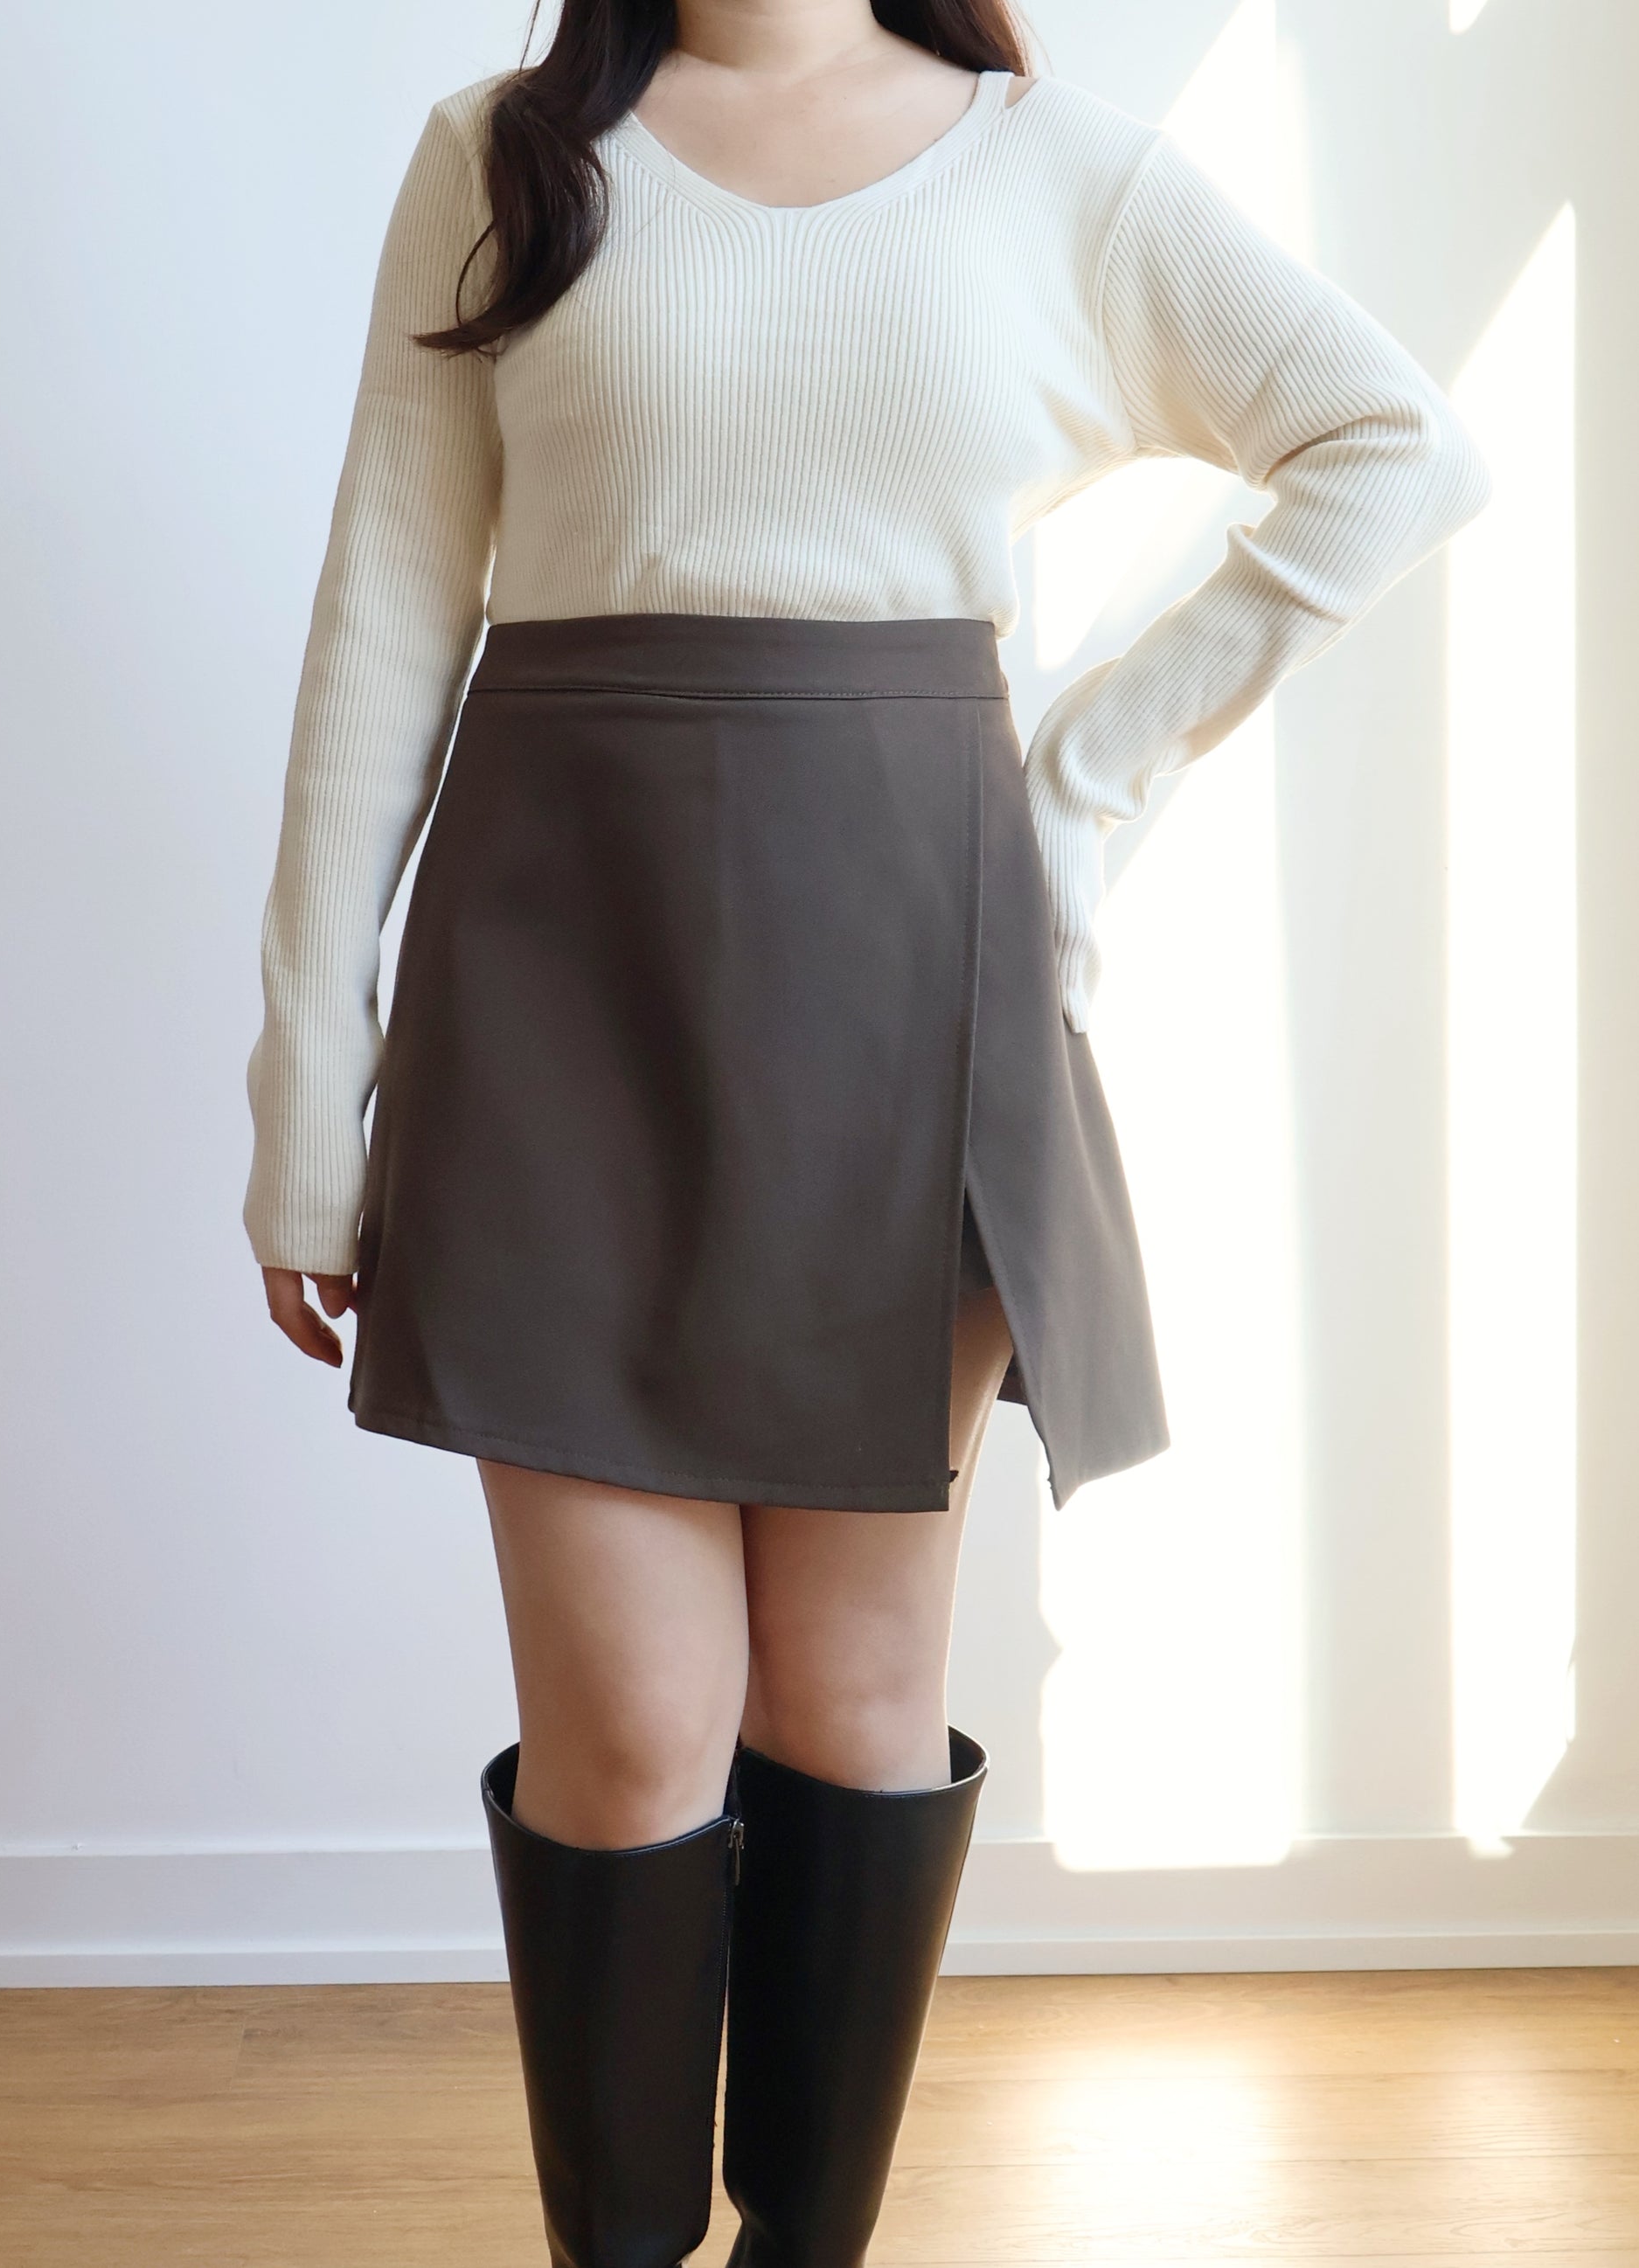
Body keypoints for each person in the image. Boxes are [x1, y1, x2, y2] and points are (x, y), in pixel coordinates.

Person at [243, 0, 1491, 2258]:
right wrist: (299, 1104)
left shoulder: (1051, 173)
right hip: (556, 993)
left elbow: (1388, 440)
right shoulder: (506, 156)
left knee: (850, 1699)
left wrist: (1086, 785)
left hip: (909, 983)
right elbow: (384, 618)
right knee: (634, 1734)